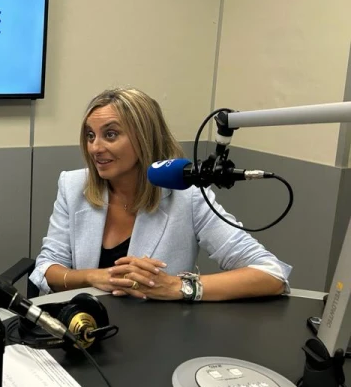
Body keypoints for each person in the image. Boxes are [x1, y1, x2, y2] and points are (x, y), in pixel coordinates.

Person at [29, 87, 292, 301]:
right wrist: (93, 277)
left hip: (158, 333)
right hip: (86, 328)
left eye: (110, 134)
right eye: (90, 135)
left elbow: (271, 274)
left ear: (145, 138)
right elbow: (46, 267)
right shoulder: (74, 185)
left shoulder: (187, 196)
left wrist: (178, 286)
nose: (95, 148)